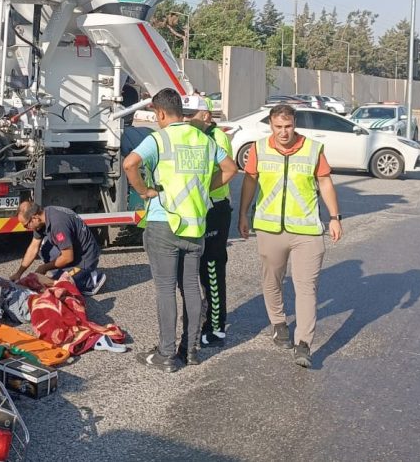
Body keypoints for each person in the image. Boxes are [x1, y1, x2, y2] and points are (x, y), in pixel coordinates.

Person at [123, 89, 238, 371]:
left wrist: (145, 191)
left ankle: (165, 354)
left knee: (165, 289)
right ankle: (190, 350)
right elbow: (230, 168)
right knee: (189, 287)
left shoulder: (160, 138)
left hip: (165, 221)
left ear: (160, 113)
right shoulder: (202, 138)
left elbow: (130, 164)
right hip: (195, 223)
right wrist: (202, 189)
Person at [237, 104, 342, 369]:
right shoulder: (259, 149)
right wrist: (243, 215)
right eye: (278, 127)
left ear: (294, 124)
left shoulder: (312, 149)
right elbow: (250, 181)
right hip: (270, 228)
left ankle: (304, 344)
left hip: (306, 230)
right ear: (271, 125)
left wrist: (334, 217)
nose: (284, 132)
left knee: (306, 287)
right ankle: (279, 323)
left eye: (288, 126)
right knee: (272, 280)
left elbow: (325, 182)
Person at [186, 96, 236, 348]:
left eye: (191, 114)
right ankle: (202, 318)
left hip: (214, 208)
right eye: (184, 114)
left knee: (212, 268)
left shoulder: (217, 138)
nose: (186, 119)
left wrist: (204, 188)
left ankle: (216, 327)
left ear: (206, 115)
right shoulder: (192, 135)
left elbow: (227, 169)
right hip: (197, 207)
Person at [10, 201, 107, 296]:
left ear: (35, 218)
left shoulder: (57, 224)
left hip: (85, 258)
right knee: (44, 249)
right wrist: (19, 273)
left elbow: (68, 257)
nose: (26, 228)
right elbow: (33, 247)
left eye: (26, 225)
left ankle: (91, 280)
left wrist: (44, 267)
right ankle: (67, 272)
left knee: (60, 287)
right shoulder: (43, 217)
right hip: (74, 249)